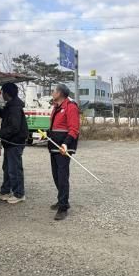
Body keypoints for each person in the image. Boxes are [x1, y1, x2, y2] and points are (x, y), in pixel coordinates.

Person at [0, 83, 29, 204]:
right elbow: (4, 115)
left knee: (14, 169)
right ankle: (5, 191)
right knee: (7, 168)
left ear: (6, 93)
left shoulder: (14, 107)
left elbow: (14, 127)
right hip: (10, 142)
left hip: (15, 142)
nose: (2, 95)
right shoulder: (11, 105)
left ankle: (19, 194)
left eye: (3, 93)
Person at [47, 83, 80, 221]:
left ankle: (63, 207)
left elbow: (74, 129)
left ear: (60, 93)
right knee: (56, 176)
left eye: (54, 91)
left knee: (62, 177)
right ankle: (62, 199)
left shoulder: (71, 107)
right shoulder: (56, 106)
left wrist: (66, 143)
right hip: (54, 146)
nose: (52, 92)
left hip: (64, 148)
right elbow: (55, 126)